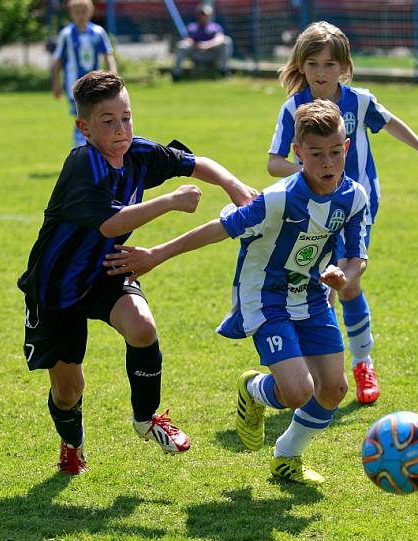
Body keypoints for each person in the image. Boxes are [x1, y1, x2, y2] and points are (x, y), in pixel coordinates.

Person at [104, 99, 370, 484]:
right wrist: (157, 254)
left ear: (345, 148)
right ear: (298, 153)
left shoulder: (354, 197)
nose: (327, 163)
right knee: (297, 391)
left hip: (312, 297)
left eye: (334, 152)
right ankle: (254, 388)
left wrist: (342, 276)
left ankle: (287, 456)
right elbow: (219, 228)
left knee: (333, 389)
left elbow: (357, 256)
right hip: (267, 297)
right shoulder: (279, 198)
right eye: (316, 154)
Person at [18, 71, 258, 475]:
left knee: (142, 327)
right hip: (56, 288)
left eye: (126, 117)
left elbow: (197, 163)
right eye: (108, 121)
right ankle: (71, 444)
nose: (121, 129)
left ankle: (146, 420)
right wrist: (170, 201)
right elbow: (110, 224)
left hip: (108, 270)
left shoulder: (139, 154)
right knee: (67, 390)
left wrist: (234, 186)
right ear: (84, 127)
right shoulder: (82, 165)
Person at [267, 21, 418, 405]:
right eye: (314, 64)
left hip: (357, 207)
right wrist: (308, 174)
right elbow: (274, 163)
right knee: (321, 287)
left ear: (344, 67)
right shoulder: (294, 108)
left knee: (347, 283)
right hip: (309, 212)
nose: (322, 72)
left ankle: (363, 363)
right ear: (301, 65)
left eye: (330, 64)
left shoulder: (360, 101)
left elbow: (392, 123)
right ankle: (322, 370)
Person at [52, 0, 117, 148]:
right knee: (82, 115)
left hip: (94, 84)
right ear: (71, 14)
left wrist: (113, 75)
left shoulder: (98, 32)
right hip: (73, 85)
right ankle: (81, 148)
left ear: (91, 11)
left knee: (95, 114)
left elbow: (108, 55)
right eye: (77, 12)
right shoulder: (66, 34)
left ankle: (91, 146)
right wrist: (56, 83)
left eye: (84, 11)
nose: (81, 15)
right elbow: (57, 61)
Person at [172, 4, 233, 80]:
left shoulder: (215, 27)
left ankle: (224, 71)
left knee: (226, 41)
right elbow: (188, 40)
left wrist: (207, 45)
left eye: (206, 15)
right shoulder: (192, 27)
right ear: (198, 15)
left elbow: (219, 38)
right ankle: (176, 75)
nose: (204, 17)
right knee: (181, 45)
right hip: (197, 53)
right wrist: (198, 45)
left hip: (212, 53)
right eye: (202, 14)